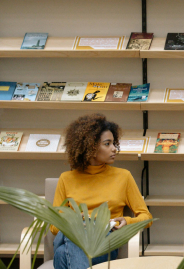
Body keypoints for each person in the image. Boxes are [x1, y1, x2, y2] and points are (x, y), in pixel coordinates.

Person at [51, 113, 152, 269]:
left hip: (105, 243)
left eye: (113, 143)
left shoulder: (123, 177)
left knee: (61, 254)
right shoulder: (66, 179)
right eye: (107, 144)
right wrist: (76, 221)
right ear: (89, 147)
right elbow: (54, 228)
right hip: (73, 237)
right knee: (78, 234)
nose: (114, 149)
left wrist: (127, 221)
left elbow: (147, 218)